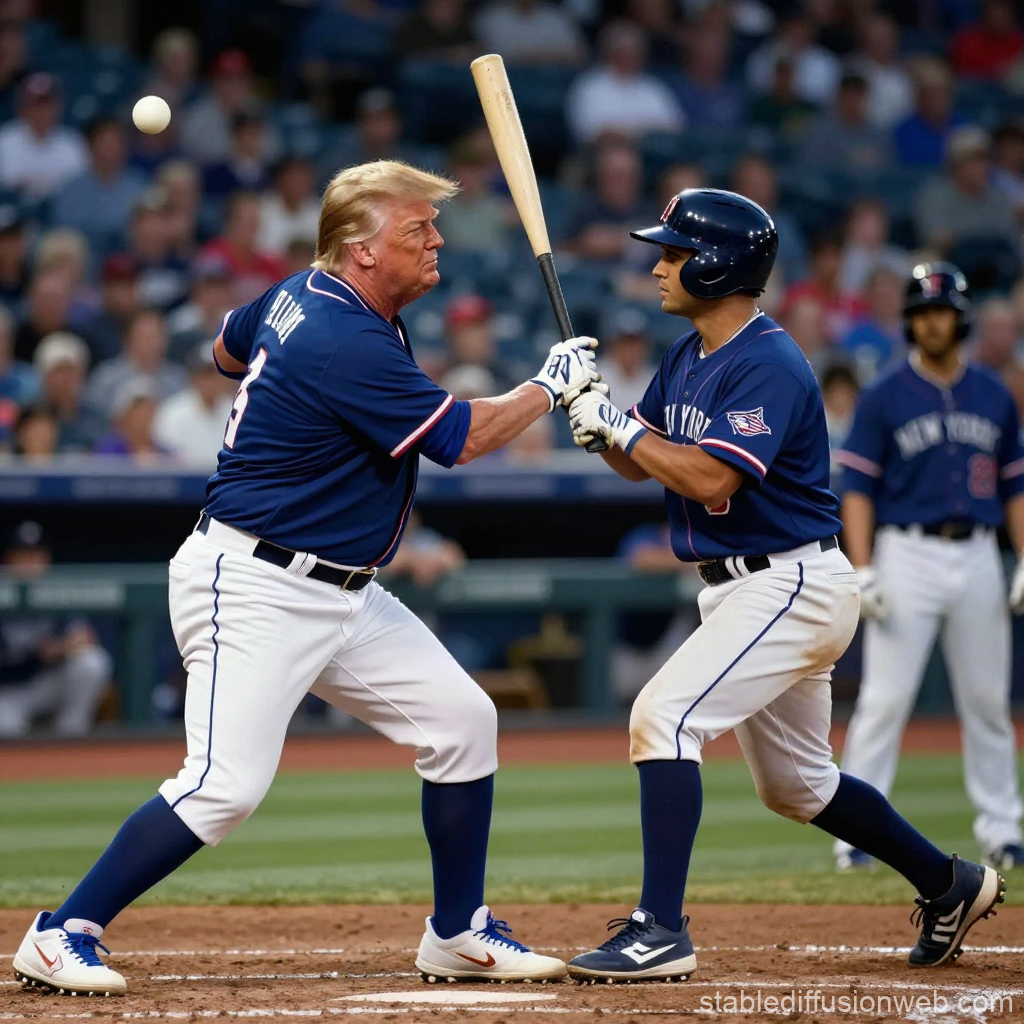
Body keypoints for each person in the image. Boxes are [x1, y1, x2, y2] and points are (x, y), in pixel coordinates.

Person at [12, 159, 601, 996]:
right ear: (362, 249)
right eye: (417, 229)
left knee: (463, 721)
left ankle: (457, 932)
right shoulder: (342, 334)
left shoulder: (306, 294)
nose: (436, 241)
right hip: (255, 582)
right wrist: (548, 386)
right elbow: (459, 439)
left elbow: (226, 348)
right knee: (223, 787)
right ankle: (60, 931)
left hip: (342, 591)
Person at [560, 189, 1005, 983]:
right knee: (797, 787)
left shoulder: (768, 359)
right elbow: (645, 458)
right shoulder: (688, 353)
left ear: (718, 265)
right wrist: (594, 418)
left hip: (790, 580)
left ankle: (660, 929)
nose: (658, 266)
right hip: (746, 586)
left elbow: (709, 477)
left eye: (674, 253)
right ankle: (950, 883)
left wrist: (621, 426)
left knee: (663, 719)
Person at [834, 263, 1024, 875]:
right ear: (909, 322)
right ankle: (856, 836)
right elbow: (857, 487)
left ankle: (1003, 831)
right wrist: (863, 566)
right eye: (921, 313)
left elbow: (1015, 486)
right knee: (884, 701)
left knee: (988, 702)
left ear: (960, 319)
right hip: (906, 551)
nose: (932, 322)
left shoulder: (994, 393)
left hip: (978, 552)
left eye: (941, 312)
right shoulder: (884, 394)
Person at [0, 521, 113, 738]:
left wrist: (58, 648)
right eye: (23, 556)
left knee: (91, 662)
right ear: (8, 559)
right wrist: (34, 654)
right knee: (7, 734)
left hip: (45, 682)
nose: (30, 564)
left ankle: (70, 738)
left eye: (36, 555)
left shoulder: (55, 586)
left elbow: (84, 637)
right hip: (8, 690)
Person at [565, 21, 685, 145]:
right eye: (626, 50)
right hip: (606, 152)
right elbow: (591, 132)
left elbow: (674, 127)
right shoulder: (589, 86)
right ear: (610, 52)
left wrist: (629, 131)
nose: (632, 56)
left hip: (655, 151)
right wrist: (642, 130)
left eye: (636, 50)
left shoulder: (653, 86)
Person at [50, 118, 148, 263]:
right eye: (106, 142)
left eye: (117, 142)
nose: (112, 148)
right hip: (84, 262)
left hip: (131, 262)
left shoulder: (138, 185)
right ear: (90, 146)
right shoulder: (71, 189)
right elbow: (67, 232)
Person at [914, 126, 1019, 255]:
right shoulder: (935, 196)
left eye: (987, 160)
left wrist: (960, 234)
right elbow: (937, 240)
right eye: (974, 160)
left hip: (995, 261)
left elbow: (1006, 237)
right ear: (954, 164)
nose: (983, 167)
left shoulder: (998, 196)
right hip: (952, 260)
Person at [0, 73, 87, 202]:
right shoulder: (5, 140)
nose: (42, 112)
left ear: (58, 107)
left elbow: (77, 189)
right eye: (36, 105)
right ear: (22, 108)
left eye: (47, 105)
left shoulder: (72, 143)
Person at [153, 342, 234, 466]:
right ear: (193, 376)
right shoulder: (172, 412)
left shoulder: (235, 411)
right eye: (205, 375)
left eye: (215, 374)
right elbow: (165, 458)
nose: (211, 382)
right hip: (184, 477)